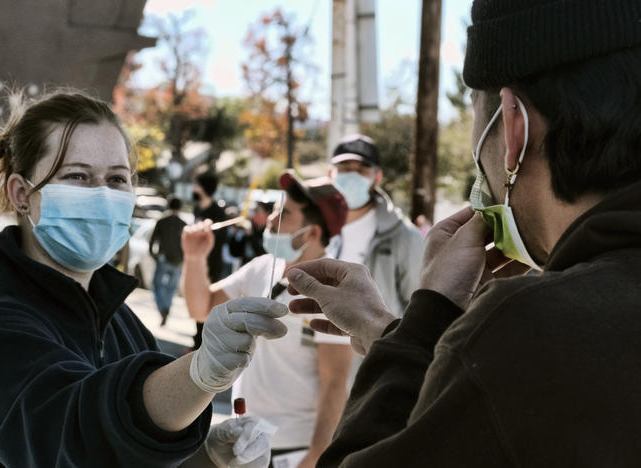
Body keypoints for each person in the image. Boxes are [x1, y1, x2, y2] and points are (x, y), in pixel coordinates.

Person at [285, 0, 641, 465]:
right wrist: (389, 332)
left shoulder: (523, 329)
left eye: (479, 133)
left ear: (513, 127)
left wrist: (429, 315)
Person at [0, 89, 285, 467]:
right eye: (77, 176)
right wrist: (198, 374)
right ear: (22, 193)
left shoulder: (120, 320)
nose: (103, 195)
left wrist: (206, 458)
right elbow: (75, 439)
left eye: (118, 179)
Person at [182, 171, 353, 468]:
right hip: (244, 439)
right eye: (275, 208)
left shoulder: (332, 290)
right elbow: (202, 309)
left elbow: (336, 381)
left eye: (283, 213)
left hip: (292, 450)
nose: (271, 219)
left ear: (312, 233)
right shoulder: (262, 267)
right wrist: (194, 258)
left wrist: (316, 455)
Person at [329, 134, 424, 317]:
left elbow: (418, 309)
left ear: (377, 177)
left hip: (373, 345)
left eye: (362, 170)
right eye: (345, 168)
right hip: (317, 343)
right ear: (330, 174)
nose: (353, 176)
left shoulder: (404, 236)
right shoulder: (312, 227)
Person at [191, 171, 228, 350]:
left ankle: (201, 345)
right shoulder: (197, 208)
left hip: (211, 266)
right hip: (196, 263)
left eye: (196, 185)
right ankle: (196, 341)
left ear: (204, 188)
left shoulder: (218, 212)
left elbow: (222, 239)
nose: (193, 189)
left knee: (206, 305)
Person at [149, 196, 186, 327]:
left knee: (157, 285)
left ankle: (162, 307)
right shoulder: (184, 224)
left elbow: (152, 241)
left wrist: (154, 256)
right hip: (178, 262)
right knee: (171, 288)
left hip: (163, 259)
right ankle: (167, 306)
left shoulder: (162, 221)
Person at [228, 201, 274, 265]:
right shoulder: (251, 229)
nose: (253, 214)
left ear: (267, 214)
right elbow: (235, 253)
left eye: (257, 211)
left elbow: (262, 255)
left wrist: (250, 235)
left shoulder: (271, 234)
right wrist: (234, 235)